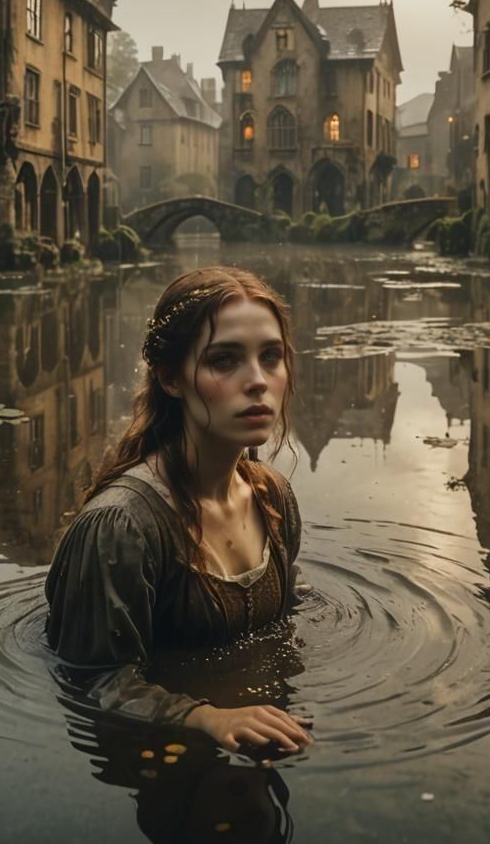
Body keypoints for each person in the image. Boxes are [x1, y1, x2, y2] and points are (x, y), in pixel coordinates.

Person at [45, 266, 313, 755]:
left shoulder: (273, 498)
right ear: (171, 378)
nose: (257, 381)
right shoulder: (121, 526)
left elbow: (289, 617)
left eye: (270, 357)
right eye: (224, 360)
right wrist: (201, 716)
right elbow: (91, 678)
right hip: (158, 765)